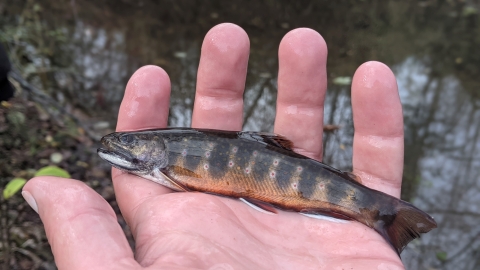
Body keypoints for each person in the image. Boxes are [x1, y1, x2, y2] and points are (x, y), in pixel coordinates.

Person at [22, 23, 406, 269]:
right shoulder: (166, 164)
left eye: (129, 142)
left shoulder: (173, 165)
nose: (119, 145)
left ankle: (379, 212)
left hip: (288, 180)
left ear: (154, 147)